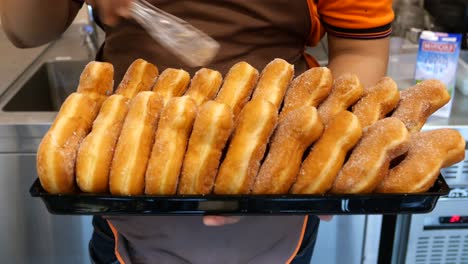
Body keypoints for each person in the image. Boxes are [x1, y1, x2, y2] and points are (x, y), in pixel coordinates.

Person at [1, 1, 393, 263]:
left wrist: (321, 157)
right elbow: (24, 29)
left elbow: (361, 47)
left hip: (273, 189)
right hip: (122, 186)